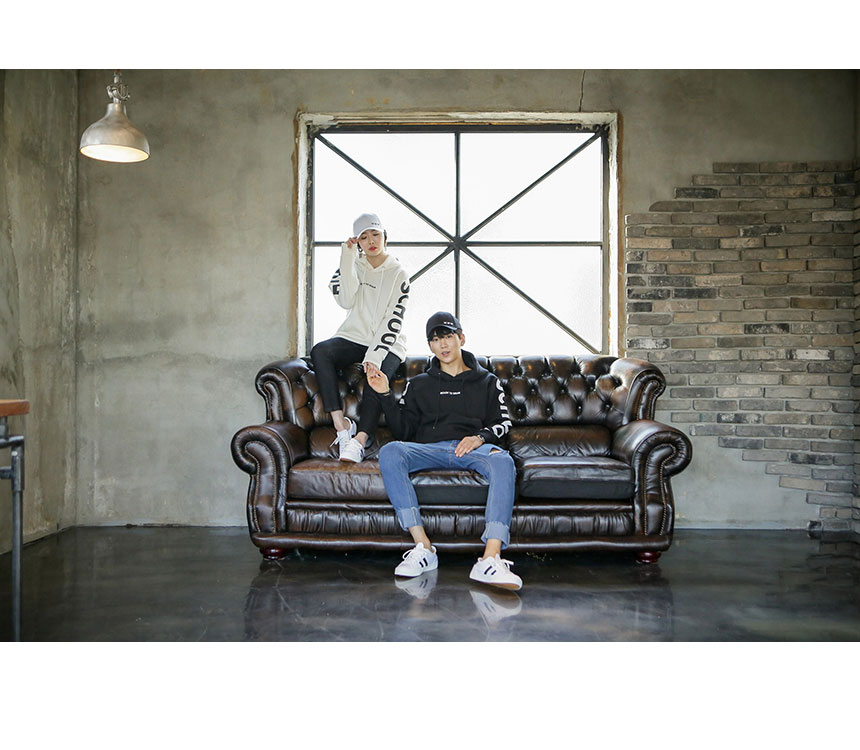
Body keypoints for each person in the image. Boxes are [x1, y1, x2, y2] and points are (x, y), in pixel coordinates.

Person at [366, 311, 523, 591]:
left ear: (461, 338)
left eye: (448, 336)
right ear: (430, 346)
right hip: (429, 449)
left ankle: (490, 558)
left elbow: (503, 423)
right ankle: (423, 547)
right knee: (391, 451)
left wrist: (479, 437)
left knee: (503, 461)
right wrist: (385, 394)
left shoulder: (487, 381)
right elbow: (403, 431)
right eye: (435, 339)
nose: (443, 344)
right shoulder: (419, 384)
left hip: (472, 449)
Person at [311, 213, 410, 463]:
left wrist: (375, 357)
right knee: (320, 351)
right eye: (364, 237)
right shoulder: (352, 265)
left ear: (384, 236)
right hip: (355, 336)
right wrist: (347, 257)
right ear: (358, 242)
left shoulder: (399, 273)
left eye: (375, 234)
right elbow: (345, 300)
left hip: (388, 343)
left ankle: (360, 440)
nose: (371, 241)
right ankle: (342, 426)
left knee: (375, 376)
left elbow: (393, 318)